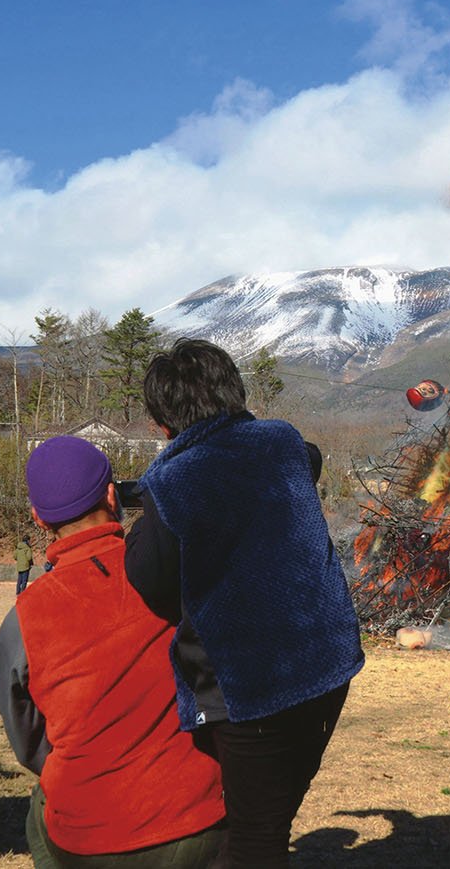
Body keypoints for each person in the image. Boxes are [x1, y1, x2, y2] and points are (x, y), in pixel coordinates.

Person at [128, 338, 364, 865]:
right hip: (329, 662)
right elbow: (311, 458)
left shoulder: (171, 481)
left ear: (164, 422)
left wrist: (143, 513)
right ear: (234, 392)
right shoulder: (282, 443)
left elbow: (150, 581)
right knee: (269, 817)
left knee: (254, 837)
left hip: (252, 686)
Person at [0, 435, 225, 867]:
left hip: (87, 836)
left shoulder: (21, 621)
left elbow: (28, 744)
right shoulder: (171, 574)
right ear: (111, 495)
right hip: (195, 817)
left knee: (40, 809)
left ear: (38, 518)